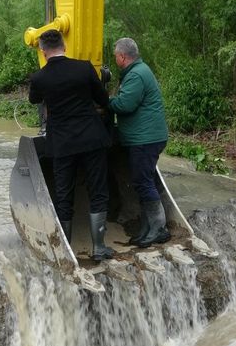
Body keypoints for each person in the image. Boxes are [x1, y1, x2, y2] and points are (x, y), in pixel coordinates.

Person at [28, 29, 115, 261]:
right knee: (98, 190)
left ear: (43, 51)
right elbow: (103, 99)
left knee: (64, 194)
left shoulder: (39, 78)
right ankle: (99, 247)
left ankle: (66, 251)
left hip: (62, 143)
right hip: (91, 139)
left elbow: (34, 99)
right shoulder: (84, 68)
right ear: (64, 45)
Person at [109, 37, 171, 248]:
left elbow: (125, 104)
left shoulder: (135, 75)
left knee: (143, 182)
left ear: (123, 57)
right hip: (149, 136)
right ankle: (148, 228)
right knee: (145, 180)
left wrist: (106, 102)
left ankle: (158, 229)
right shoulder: (141, 70)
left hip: (145, 139)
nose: (115, 59)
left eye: (116, 56)